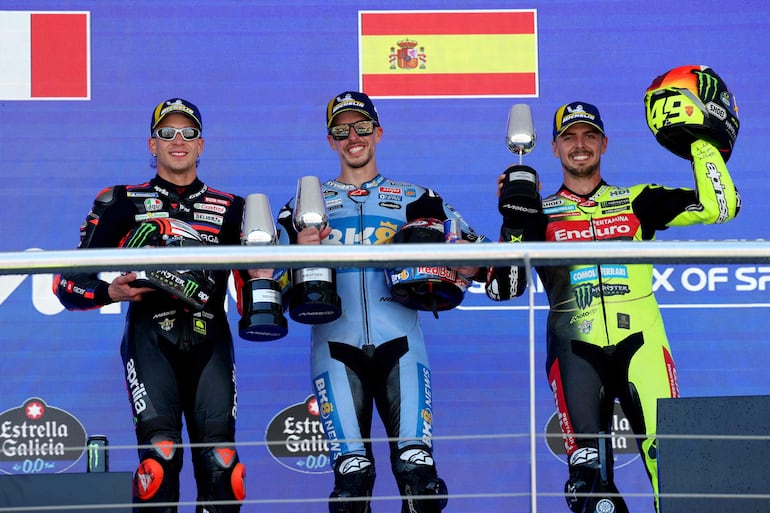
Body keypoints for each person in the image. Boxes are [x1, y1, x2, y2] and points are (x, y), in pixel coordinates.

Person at [486, 95, 739, 512]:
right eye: (569, 137)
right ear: (554, 147)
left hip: (642, 343)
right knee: (588, 486)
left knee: (673, 467)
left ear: (605, 144)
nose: (580, 144)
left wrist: (700, 141)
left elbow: (722, 206)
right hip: (573, 351)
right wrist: (512, 221)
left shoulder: (639, 199)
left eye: (590, 135)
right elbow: (503, 287)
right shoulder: (541, 214)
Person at [276, 91, 487, 513]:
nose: (353, 136)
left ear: (379, 132)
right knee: (350, 487)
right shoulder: (300, 208)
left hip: (402, 344)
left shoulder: (418, 198)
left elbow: (486, 266)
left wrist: (461, 262)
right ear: (331, 139)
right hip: (334, 348)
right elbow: (270, 287)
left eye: (362, 126)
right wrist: (296, 257)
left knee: (419, 477)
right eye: (342, 129)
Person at [54, 98, 247, 513]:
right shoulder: (121, 200)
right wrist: (110, 293)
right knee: (158, 460)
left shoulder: (234, 208)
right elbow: (66, 283)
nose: (178, 141)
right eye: (167, 133)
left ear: (201, 145)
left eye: (188, 133)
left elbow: (257, 298)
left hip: (210, 339)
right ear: (151, 144)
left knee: (223, 465)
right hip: (149, 340)